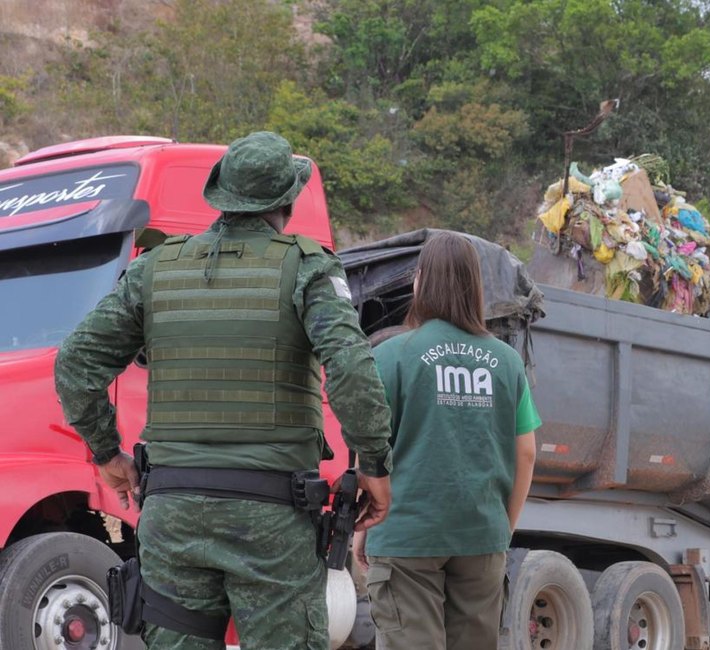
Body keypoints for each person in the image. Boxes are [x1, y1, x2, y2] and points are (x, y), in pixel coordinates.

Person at [54, 131, 394, 649]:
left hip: (172, 514)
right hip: (273, 519)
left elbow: (76, 364)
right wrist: (372, 463)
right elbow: (350, 367)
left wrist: (106, 453)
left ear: (223, 194)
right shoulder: (307, 267)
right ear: (287, 200)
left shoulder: (153, 269)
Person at [353, 232, 539, 650]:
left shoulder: (390, 356)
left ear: (419, 282)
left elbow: (370, 449)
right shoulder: (507, 362)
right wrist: (500, 529)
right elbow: (525, 452)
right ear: (475, 286)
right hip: (481, 536)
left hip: (405, 534)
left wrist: (364, 525)